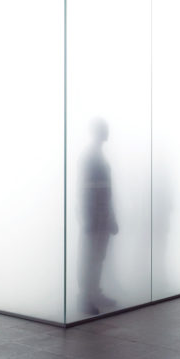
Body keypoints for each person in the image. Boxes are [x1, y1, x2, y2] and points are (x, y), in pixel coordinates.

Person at [78, 118, 118, 315]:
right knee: (90, 258)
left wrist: (111, 217)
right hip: (94, 217)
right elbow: (85, 190)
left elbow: (105, 190)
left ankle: (94, 293)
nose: (107, 131)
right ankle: (86, 297)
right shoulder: (91, 156)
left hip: (101, 216)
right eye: (104, 128)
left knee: (98, 257)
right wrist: (88, 218)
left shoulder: (97, 155)